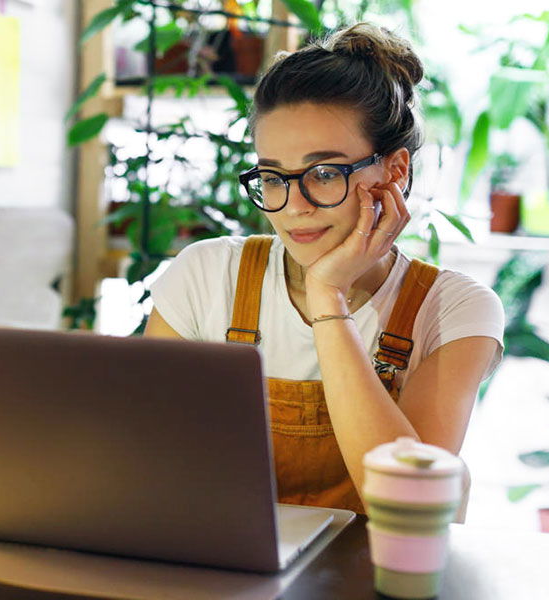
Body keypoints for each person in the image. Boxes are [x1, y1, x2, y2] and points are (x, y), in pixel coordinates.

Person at [144, 22, 505, 513]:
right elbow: (147, 460)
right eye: (273, 177)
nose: (293, 206)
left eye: (324, 173)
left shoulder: (454, 311)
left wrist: (328, 298)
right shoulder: (208, 274)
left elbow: (410, 502)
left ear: (394, 171)